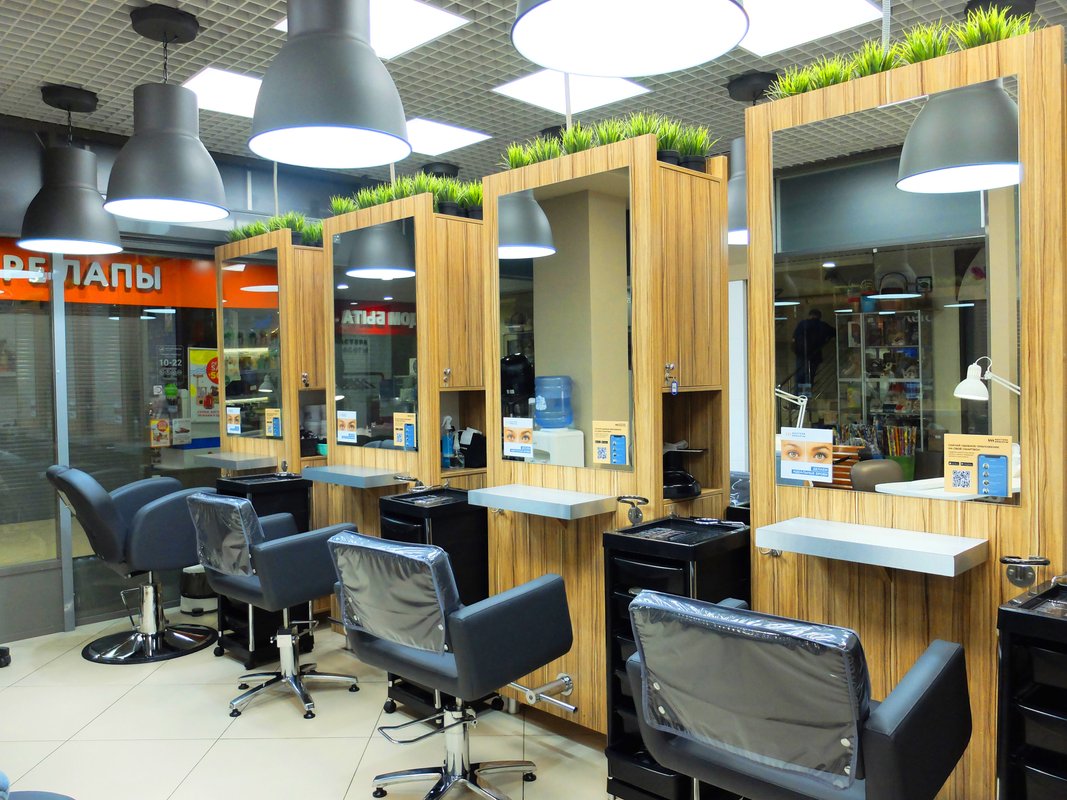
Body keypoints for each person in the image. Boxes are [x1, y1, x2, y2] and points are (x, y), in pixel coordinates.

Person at [792, 309, 836, 389]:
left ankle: (798, 394)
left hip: (801, 354)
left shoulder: (802, 324)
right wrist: (826, 339)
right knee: (809, 377)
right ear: (819, 316)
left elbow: (794, 337)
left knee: (800, 375)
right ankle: (806, 394)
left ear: (810, 315)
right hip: (815, 355)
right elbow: (834, 332)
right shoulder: (822, 325)